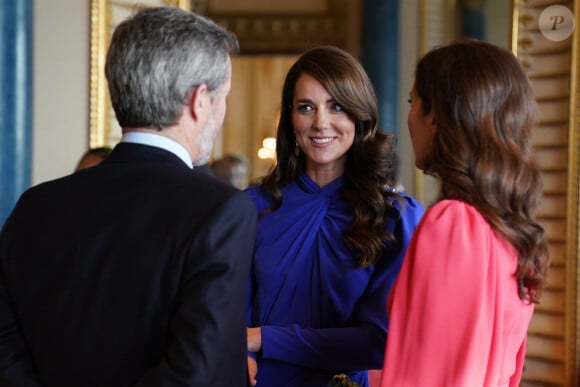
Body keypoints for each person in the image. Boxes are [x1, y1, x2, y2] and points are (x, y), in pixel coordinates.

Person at [0, 7, 256, 387]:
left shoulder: (34, 205)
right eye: (223, 97)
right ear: (199, 100)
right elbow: (193, 373)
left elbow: (6, 349)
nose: (221, 110)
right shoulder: (221, 211)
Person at [244, 45, 424, 387]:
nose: (320, 123)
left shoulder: (396, 217)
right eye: (306, 107)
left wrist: (263, 338)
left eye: (336, 106)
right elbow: (232, 321)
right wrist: (242, 351)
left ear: (361, 116)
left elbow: (380, 342)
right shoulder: (252, 207)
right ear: (290, 118)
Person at [380, 40, 551, 386]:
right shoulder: (510, 230)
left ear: (438, 118)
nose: (408, 118)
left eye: (414, 103)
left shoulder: (455, 224)